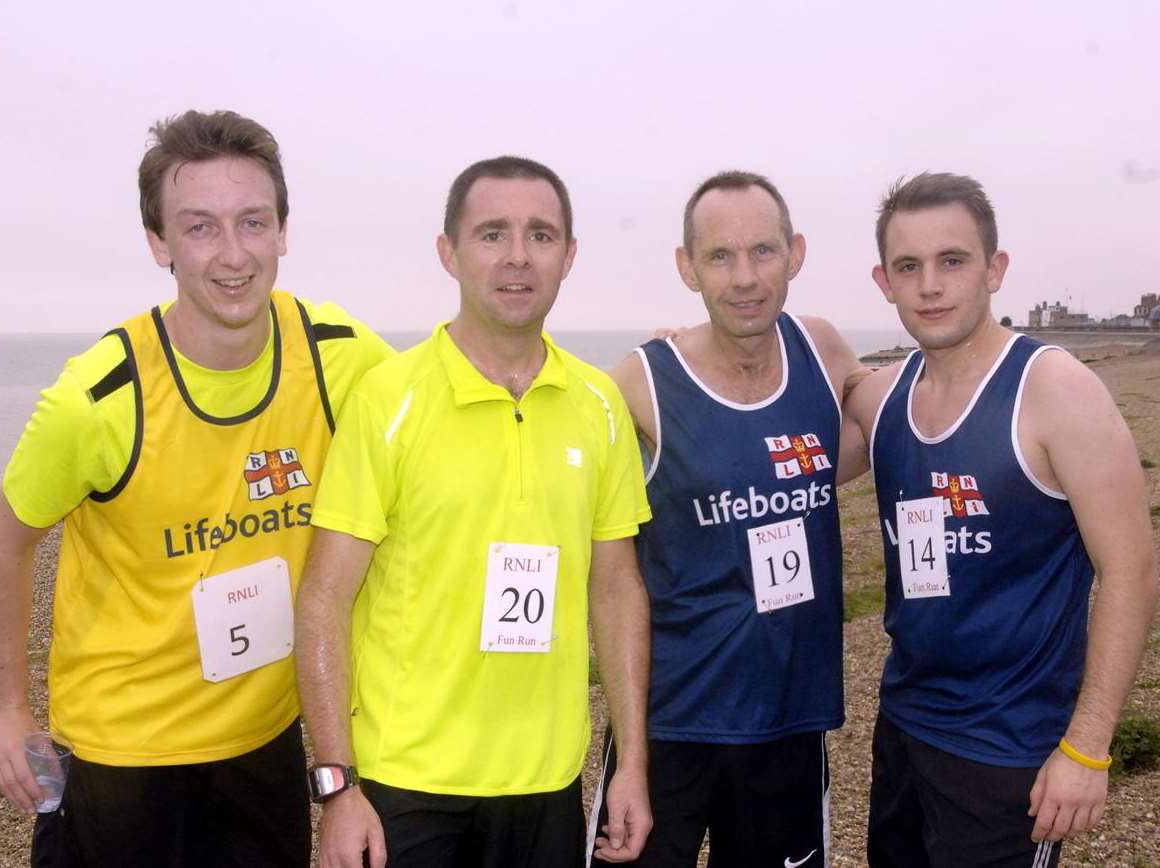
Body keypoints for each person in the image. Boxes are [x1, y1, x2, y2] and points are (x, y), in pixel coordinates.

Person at [0, 109, 395, 867]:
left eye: (253, 222)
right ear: (159, 243)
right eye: (200, 227)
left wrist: (654, 366)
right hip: (118, 755)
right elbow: (3, 546)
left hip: (262, 744)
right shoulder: (99, 398)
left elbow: (445, 384)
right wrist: (8, 711)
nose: (232, 254)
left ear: (283, 231)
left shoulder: (338, 355)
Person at [294, 155, 654, 868]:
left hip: (547, 781)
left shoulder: (599, 406)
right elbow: (324, 598)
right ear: (448, 253)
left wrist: (632, 765)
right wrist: (338, 789)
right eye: (492, 234)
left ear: (569, 256)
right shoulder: (388, 400)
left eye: (541, 235)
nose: (518, 256)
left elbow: (616, 590)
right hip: (406, 783)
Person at [840, 172, 1159, 867]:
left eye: (952, 261)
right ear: (883, 281)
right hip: (903, 726)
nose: (930, 285)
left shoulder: (1055, 392)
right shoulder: (886, 398)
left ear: (994, 268)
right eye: (908, 267)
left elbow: (1131, 571)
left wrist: (1089, 746)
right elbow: (800, 423)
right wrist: (694, 349)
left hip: (1011, 750)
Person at [593, 171, 862, 867]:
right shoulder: (640, 384)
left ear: (795, 253)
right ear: (688, 268)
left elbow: (906, 421)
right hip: (671, 725)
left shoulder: (823, 352)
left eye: (763, 252)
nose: (745, 277)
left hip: (789, 724)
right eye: (720, 257)